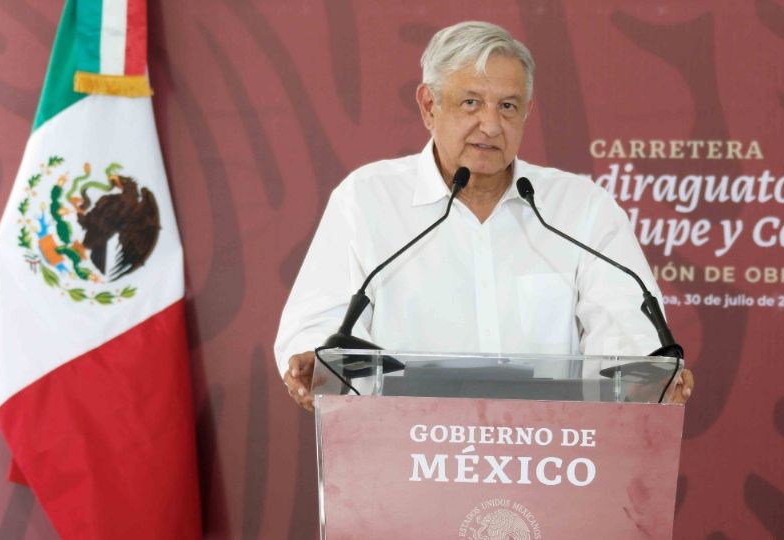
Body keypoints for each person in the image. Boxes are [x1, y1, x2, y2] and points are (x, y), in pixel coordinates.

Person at [275, 21, 694, 410]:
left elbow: (628, 336)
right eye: (471, 102)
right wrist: (317, 365)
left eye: (508, 106)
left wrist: (647, 378)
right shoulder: (367, 201)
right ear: (428, 105)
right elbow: (318, 329)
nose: (491, 125)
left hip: (552, 462)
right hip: (407, 459)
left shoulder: (580, 209)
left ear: (528, 111)